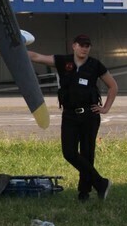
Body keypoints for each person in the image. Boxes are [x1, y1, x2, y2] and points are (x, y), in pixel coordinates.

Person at [28, 34, 118, 202]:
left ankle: (84, 194)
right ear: (74, 46)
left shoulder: (95, 65)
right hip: (69, 115)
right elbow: (36, 57)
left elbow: (113, 86)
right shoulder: (63, 61)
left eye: (87, 45)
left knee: (87, 154)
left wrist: (105, 108)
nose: (85, 48)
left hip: (90, 115)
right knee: (69, 152)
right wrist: (15, 51)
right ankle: (100, 182)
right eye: (82, 45)